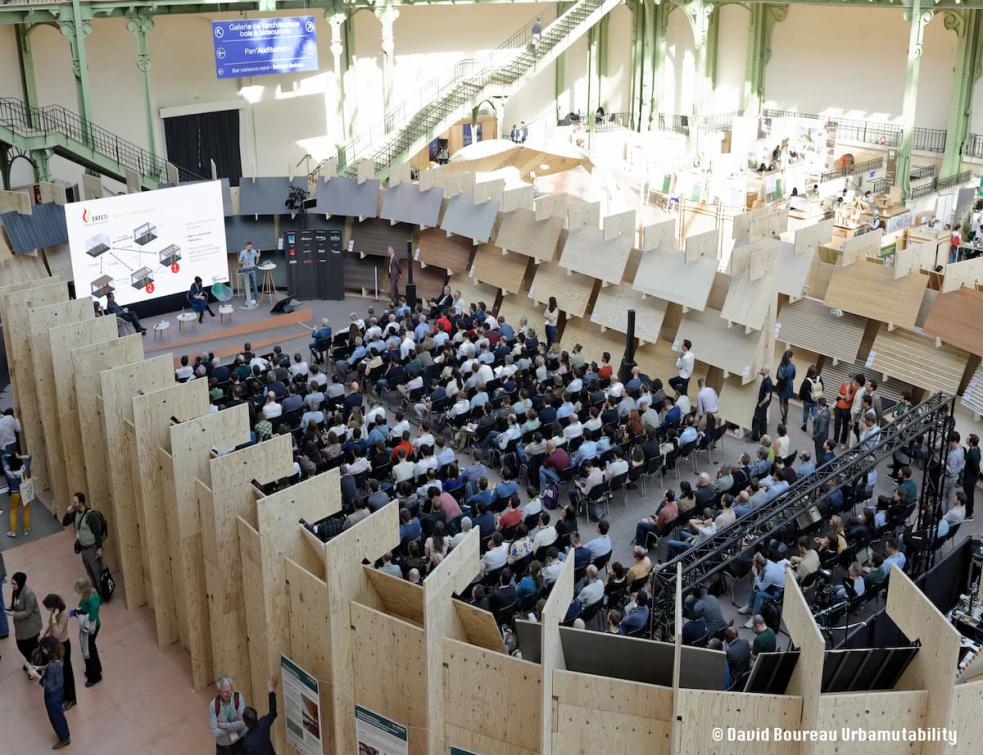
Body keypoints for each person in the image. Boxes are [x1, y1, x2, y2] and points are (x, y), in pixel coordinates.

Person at [61, 492, 107, 598]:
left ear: (81, 503)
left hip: (92, 548)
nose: (73, 503)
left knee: (97, 572)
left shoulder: (91, 515)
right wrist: (68, 512)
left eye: (75, 502)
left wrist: (99, 548)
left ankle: (102, 595)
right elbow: (65, 523)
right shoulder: (75, 512)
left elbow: (97, 532)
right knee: (90, 571)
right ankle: (97, 593)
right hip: (84, 548)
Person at [41, 594, 76, 710]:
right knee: (60, 671)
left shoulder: (63, 614)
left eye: (48, 607)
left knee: (66, 671)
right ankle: (64, 695)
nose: (48, 610)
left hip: (63, 645)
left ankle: (71, 698)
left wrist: (54, 617)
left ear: (54, 606)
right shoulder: (54, 613)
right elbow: (50, 626)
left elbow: (57, 633)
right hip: (55, 644)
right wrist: (44, 635)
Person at [39, 636, 71, 749]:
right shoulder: (59, 658)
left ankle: (64, 738)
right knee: (58, 715)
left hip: (52, 695)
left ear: (49, 649)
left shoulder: (53, 665)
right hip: (59, 691)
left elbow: (49, 684)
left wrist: (38, 677)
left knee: (55, 717)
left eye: (43, 648)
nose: (42, 650)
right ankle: (64, 735)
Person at [7, 571, 42, 666]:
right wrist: (11, 607)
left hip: (31, 627)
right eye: (12, 583)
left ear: (21, 582)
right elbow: (16, 602)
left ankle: (35, 668)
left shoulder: (29, 593)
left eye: (14, 583)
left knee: (33, 649)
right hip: (22, 627)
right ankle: (31, 662)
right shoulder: (16, 591)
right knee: (21, 646)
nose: (12, 586)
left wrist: (13, 614)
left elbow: (28, 612)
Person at [73, 577, 102, 687]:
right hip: (89, 626)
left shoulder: (92, 599)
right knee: (91, 648)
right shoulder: (89, 594)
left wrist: (80, 614)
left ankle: (94, 676)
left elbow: (92, 616)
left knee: (89, 651)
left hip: (90, 627)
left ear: (84, 589)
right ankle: (95, 669)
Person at [240, 677, 277, 755]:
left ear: (245, 722)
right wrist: (271, 690)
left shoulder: (247, 742)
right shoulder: (264, 723)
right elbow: (273, 713)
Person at [210, 675, 247, 753]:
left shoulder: (238, 698)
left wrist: (224, 726)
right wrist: (234, 725)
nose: (229, 693)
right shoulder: (213, 705)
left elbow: (243, 723)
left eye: (230, 690)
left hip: (237, 741)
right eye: (225, 692)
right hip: (223, 745)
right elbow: (214, 731)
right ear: (219, 691)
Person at [3, 450, 32, 537]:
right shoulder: (23, 468)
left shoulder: (7, 470)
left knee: (13, 511)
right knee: (26, 510)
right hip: (24, 491)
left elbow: (2, 458)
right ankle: (26, 529)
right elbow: (30, 457)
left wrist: (8, 455)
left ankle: (13, 532)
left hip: (15, 493)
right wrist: (19, 457)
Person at [751, 367, 773, 441]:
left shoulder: (767, 382)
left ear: (766, 371)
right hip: (764, 405)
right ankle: (763, 435)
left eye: (762, 369)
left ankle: (755, 438)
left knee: (756, 420)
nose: (760, 370)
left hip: (762, 404)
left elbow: (767, 397)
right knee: (763, 420)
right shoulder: (765, 379)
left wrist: (760, 404)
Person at [775, 350, 796, 426]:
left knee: (781, 403)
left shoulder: (781, 365)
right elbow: (793, 377)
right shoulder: (793, 366)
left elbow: (777, 376)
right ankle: (785, 418)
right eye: (792, 357)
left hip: (781, 385)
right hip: (789, 385)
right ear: (790, 357)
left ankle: (783, 418)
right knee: (786, 402)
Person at [239, 241, 260, 305]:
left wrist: (257, 259)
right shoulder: (243, 252)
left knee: (254, 284)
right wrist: (243, 263)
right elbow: (239, 261)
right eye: (248, 246)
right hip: (246, 271)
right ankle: (247, 300)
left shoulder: (253, 251)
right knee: (246, 286)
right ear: (246, 246)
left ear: (251, 246)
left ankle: (256, 299)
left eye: (250, 246)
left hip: (252, 270)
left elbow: (257, 258)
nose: (249, 248)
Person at [964, 434, 980, 520]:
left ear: (971, 442)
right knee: (969, 495)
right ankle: (968, 510)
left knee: (969, 496)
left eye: (967, 439)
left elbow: (976, 468)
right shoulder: (976, 449)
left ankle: (969, 514)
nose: (966, 439)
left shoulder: (973, 454)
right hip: (971, 478)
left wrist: (973, 478)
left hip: (970, 479)